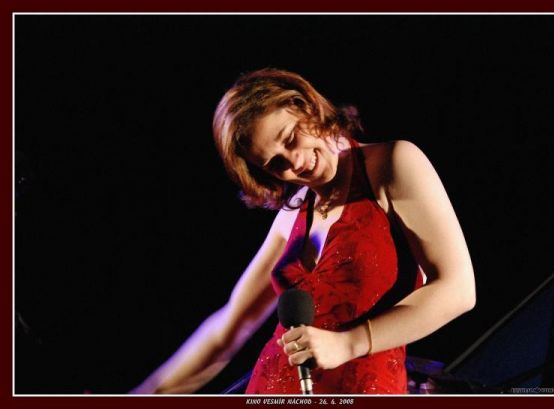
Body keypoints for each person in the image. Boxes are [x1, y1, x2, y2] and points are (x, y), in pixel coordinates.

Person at [130, 68, 476, 394]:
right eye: (275, 163)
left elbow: (458, 290)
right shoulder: (292, 214)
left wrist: (349, 343)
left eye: (291, 138)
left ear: (306, 106)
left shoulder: (391, 163)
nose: (294, 163)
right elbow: (227, 331)